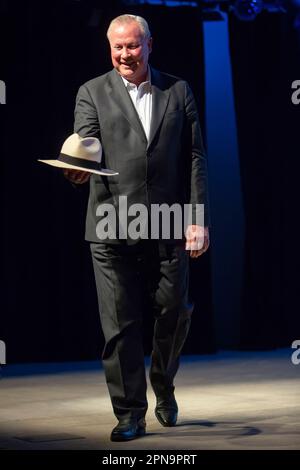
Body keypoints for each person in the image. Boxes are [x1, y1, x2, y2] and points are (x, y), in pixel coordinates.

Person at [64, 14, 210, 442]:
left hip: (168, 223)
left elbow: (195, 158)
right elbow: (85, 149)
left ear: (149, 45)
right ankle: (130, 413)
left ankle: (163, 383)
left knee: (175, 312)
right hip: (111, 223)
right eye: (117, 47)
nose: (124, 55)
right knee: (120, 325)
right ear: (110, 48)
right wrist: (76, 172)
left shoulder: (178, 89)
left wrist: (197, 220)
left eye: (132, 46)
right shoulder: (92, 91)